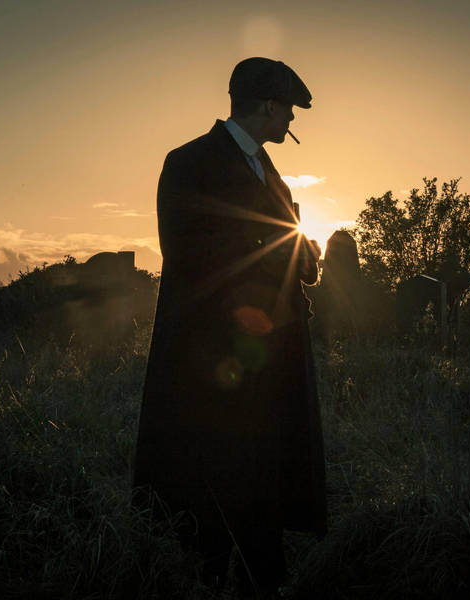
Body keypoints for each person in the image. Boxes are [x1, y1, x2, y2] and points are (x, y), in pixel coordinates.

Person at [132, 57, 327, 597]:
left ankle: (263, 574)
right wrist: (269, 249)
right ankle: (210, 574)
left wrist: (304, 256)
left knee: (264, 465)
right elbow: (186, 252)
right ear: (268, 105)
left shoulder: (271, 173)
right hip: (212, 355)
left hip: (271, 356)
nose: (292, 119)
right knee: (213, 468)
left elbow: (290, 253)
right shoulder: (189, 162)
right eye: (288, 109)